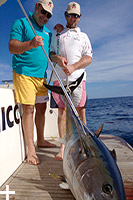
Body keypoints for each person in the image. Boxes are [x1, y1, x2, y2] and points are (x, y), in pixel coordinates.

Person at [9, 0, 56, 165]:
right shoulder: (21, 23)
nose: (45, 17)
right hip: (24, 73)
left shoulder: (48, 33)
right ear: (37, 7)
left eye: (49, 15)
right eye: (43, 12)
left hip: (41, 77)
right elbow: (12, 47)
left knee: (42, 109)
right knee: (29, 109)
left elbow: (50, 54)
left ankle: (41, 140)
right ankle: (31, 150)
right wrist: (30, 44)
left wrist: (59, 58)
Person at [50, 2, 93, 160]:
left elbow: (88, 58)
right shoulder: (58, 34)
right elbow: (51, 53)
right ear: (65, 16)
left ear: (80, 17)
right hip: (59, 79)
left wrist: (74, 67)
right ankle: (63, 147)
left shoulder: (84, 37)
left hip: (78, 79)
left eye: (75, 15)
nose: (72, 18)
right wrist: (58, 59)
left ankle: (84, 143)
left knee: (81, 110)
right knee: (61, 113)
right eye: (69, 15)